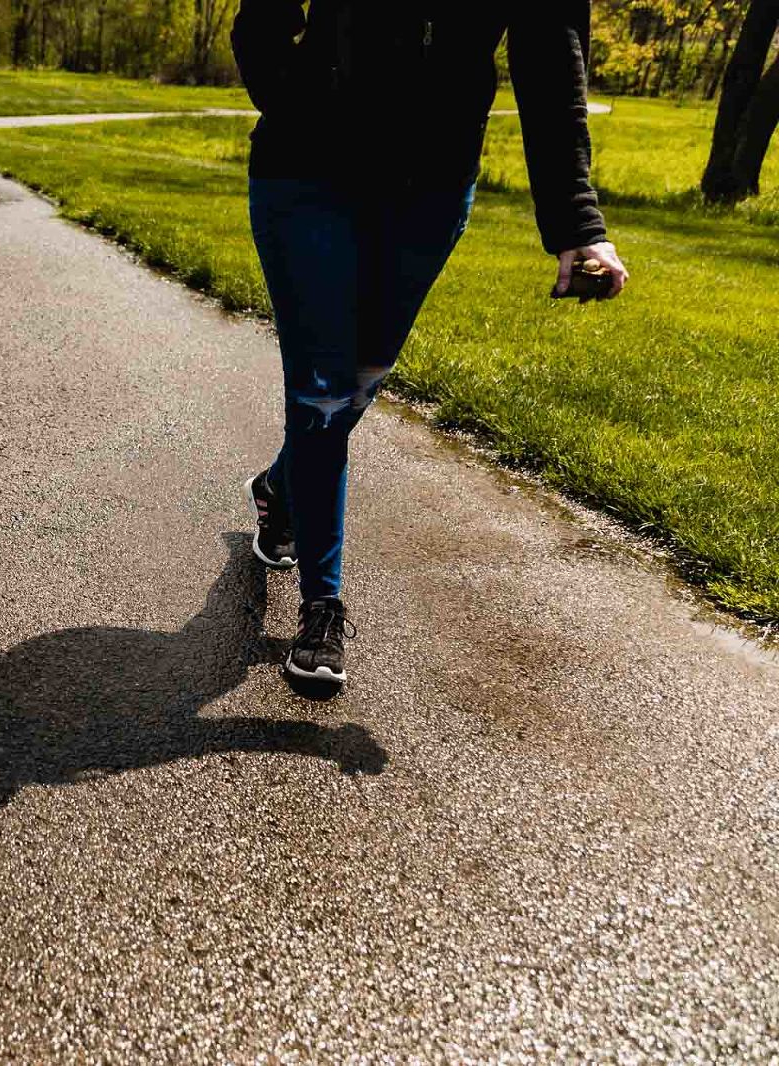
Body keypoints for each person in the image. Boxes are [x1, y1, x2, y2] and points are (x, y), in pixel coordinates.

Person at [231, 2, 629, 687]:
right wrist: (299, 98)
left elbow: (550, 55)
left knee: (361, 378)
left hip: (433, 184)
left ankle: (280, 488)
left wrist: (577, 223)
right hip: (306, 171)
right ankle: (322, 607)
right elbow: (260, 19)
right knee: (324, 388)